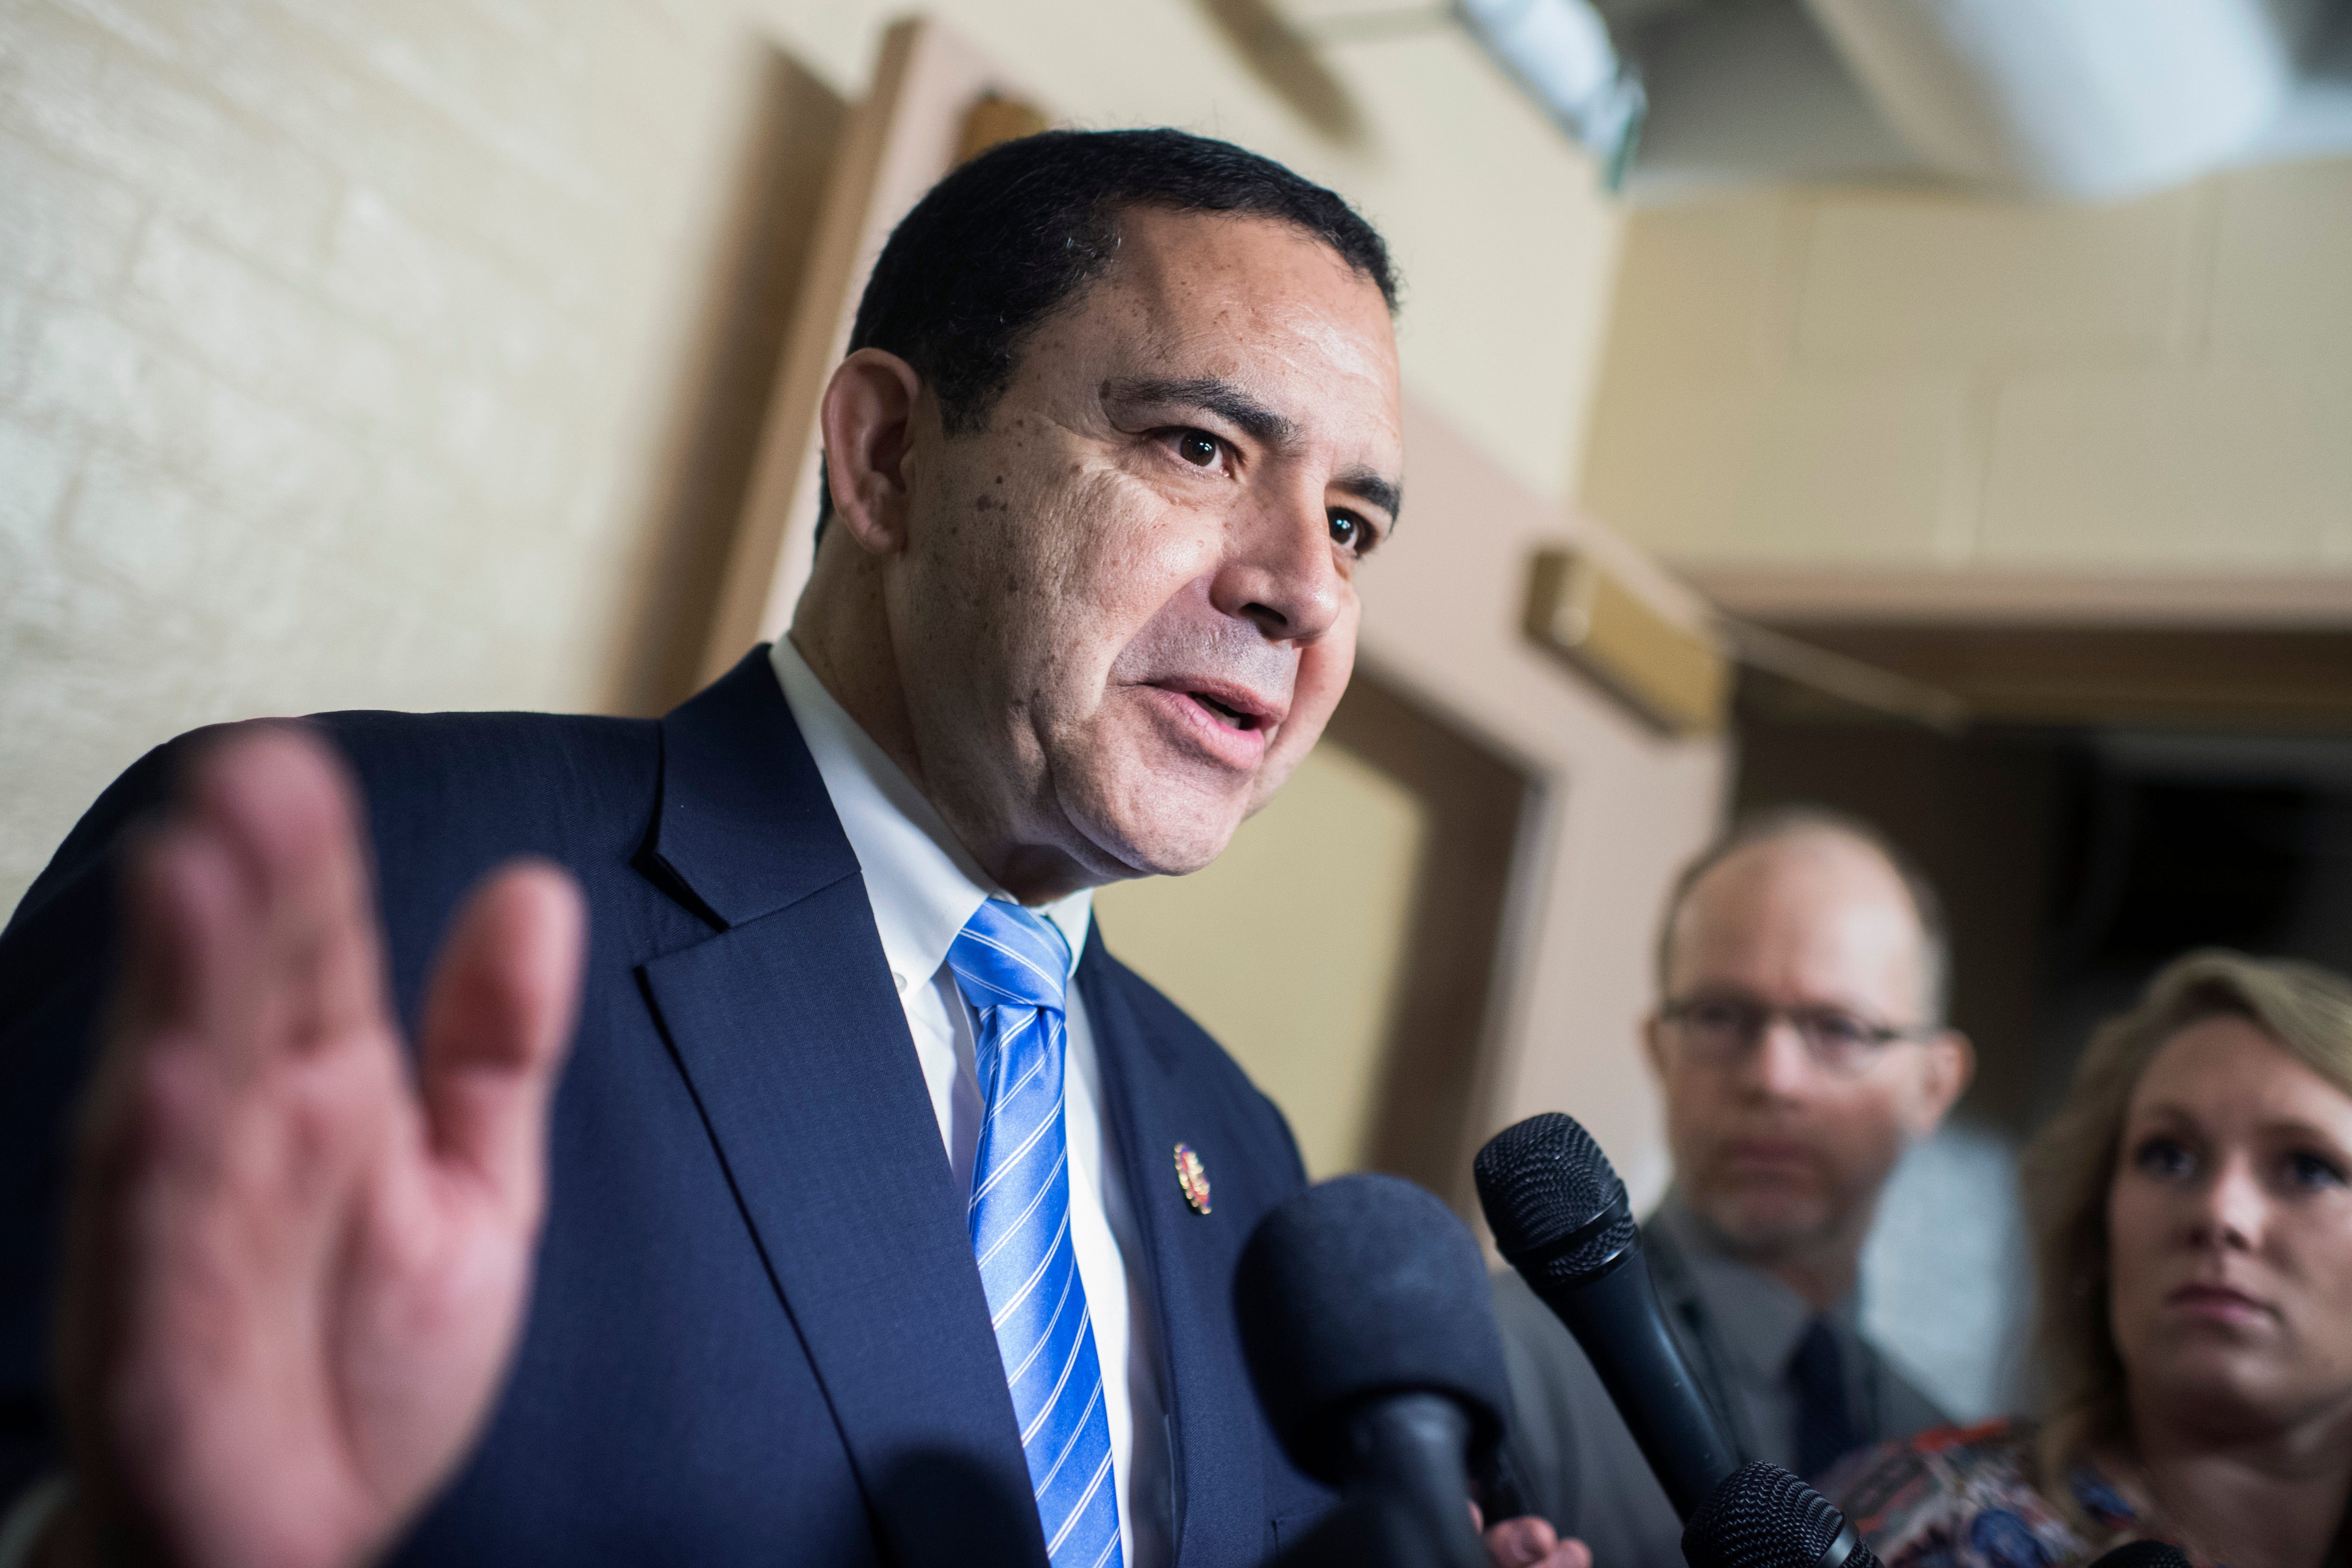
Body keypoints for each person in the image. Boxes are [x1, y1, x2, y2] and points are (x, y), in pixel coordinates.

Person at [0, 130, 1582, 1568]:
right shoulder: (366, 881)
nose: (1301, 588)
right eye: (1198, 446)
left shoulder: (1237, 1143)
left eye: (1352, 526)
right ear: (887, 456)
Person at [1487, 808, 1976, 1567]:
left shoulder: (1954, 1462)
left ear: (1933, 1085)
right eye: (1719, 1016)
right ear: (1660, 1049)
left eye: (1838, 1029)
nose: (1772, 1078)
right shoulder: (1494, 1367)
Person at [1826, 950, 2352, 1568]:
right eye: (2168, 1156)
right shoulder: (1911, 1528)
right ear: (2097, 1231)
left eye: (2307, 1168)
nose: (2220, 1213)